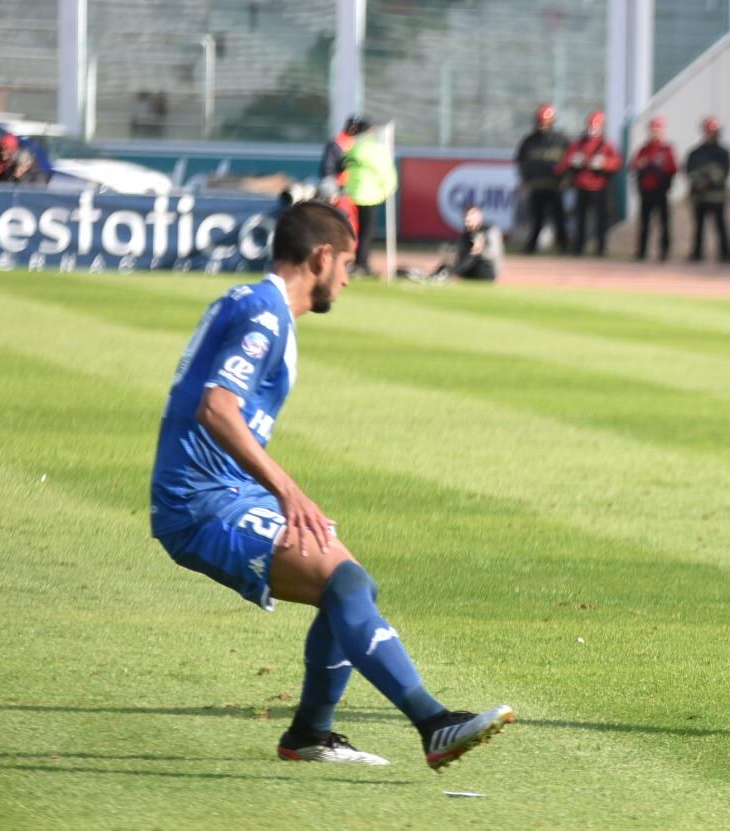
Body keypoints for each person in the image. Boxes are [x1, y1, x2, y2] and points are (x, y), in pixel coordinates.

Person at [150, 200, 513, 769]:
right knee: (344, 584)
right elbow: (215, 408)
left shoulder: (254, 304)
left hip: (224, 493)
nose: (347, 278)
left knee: (350, 587)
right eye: (344, 263)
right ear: (321, 257)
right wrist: (287, 491)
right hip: (201, 504)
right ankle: (432, 723)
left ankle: (310, 734)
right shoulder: (265, 316)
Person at [555, 110, 622, 257]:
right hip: (581, 187)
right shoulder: (578, 144)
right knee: (580, 220)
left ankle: (601, 249)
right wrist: (573, 161)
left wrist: (604, 164)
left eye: (596, 126)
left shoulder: (607, 146)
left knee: (600, 220)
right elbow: (563, 164)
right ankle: (578, 247)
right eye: (591, 125)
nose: (593, 129)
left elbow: (617, 163)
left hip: (600, 188)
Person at [342, 120, 398, 277]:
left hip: (351, 194)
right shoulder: (375, 150)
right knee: (366, 231)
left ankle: (354, 262)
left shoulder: (352, 148)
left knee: (354, 230)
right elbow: (385, 170)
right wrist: (389, 188)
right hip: (369, 195)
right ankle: (361, 263)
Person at [515, 103, 571, 254]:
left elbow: (569, 161)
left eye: (546, 122)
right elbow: (521, 161)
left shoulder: (561, 140)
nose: (543, 125)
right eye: (541, 121)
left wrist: (566, 179)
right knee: (536, 219)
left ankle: (563, 246)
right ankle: (531, 247)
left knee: (559, 219)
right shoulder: (529, 141)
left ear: (552, 121)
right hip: (536, 187)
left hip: (555, 186)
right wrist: (525, 179)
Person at [629, 115, 678, 261]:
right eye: (652, 129)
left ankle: (665, 251)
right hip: (646, 190)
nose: (655, 132)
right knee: (644, 222)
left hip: (661, 190)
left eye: (657, 129)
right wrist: (643, 167)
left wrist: (660, 169)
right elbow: (633, 165)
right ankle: (642, 251)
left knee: (664, 222)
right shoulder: (644, 149)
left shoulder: (666, 149)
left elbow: (673, 167)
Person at [684, 116, 730, 263]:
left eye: (713, 131)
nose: (711, 134)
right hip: (699, 197)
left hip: (717, 197)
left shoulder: (723, 153)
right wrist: (698, 182)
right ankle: (697, 254)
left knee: (720, 226)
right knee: (698, 228)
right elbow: (689, 170)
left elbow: (724, 172)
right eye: (709, 131)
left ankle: (725, 255)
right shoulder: (696, 152)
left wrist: (708, 181)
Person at [427, 204, 504, 282]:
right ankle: (432, 278)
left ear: (479, 217)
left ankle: (447, 276)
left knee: (471, 257)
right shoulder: (467, 233)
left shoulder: (488, 230)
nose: (467, 220)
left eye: (470, 217)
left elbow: (488, 253)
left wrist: (481, 251)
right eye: (466, 218)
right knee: (450, 262)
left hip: (486, 270)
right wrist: (450, 255)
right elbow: (460, 252)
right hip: (471, 267)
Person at [320, 115, 366, 189]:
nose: (354, 129)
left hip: (355, 184)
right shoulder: (336, 143)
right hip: (340, 185)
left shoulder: (358, 142)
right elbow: (328, 168)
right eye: (353, 126)